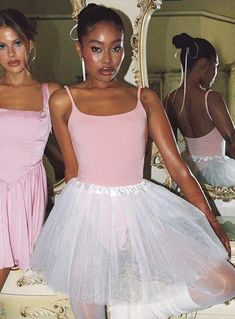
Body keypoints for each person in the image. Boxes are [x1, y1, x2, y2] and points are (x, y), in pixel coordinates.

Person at [31, 5, 235, 319]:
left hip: (139, 210)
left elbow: (178, 167)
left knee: (225, 281)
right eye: (96, 49)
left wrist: (209, 220)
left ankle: (146, 311)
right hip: (86, 215)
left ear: (125, 47)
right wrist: (74, 230)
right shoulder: (63, 100)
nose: (108, 59)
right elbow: (71, 171)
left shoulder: (145, 98)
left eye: (116, 48)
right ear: (80, 49)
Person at [0, 8, 60, 291]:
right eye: (1, 45)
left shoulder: (52, 92)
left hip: (28, 196)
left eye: (17, 42)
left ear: (30, 44)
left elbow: (75, 148)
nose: (10, 53)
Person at [165, 32, 235, 187]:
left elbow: (169, 144)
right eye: (215, 66)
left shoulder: (171, 99)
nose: (215, 73)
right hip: (217, 172)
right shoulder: (211, 98)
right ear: (204, 65)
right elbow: (232, 140)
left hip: (190, 171)